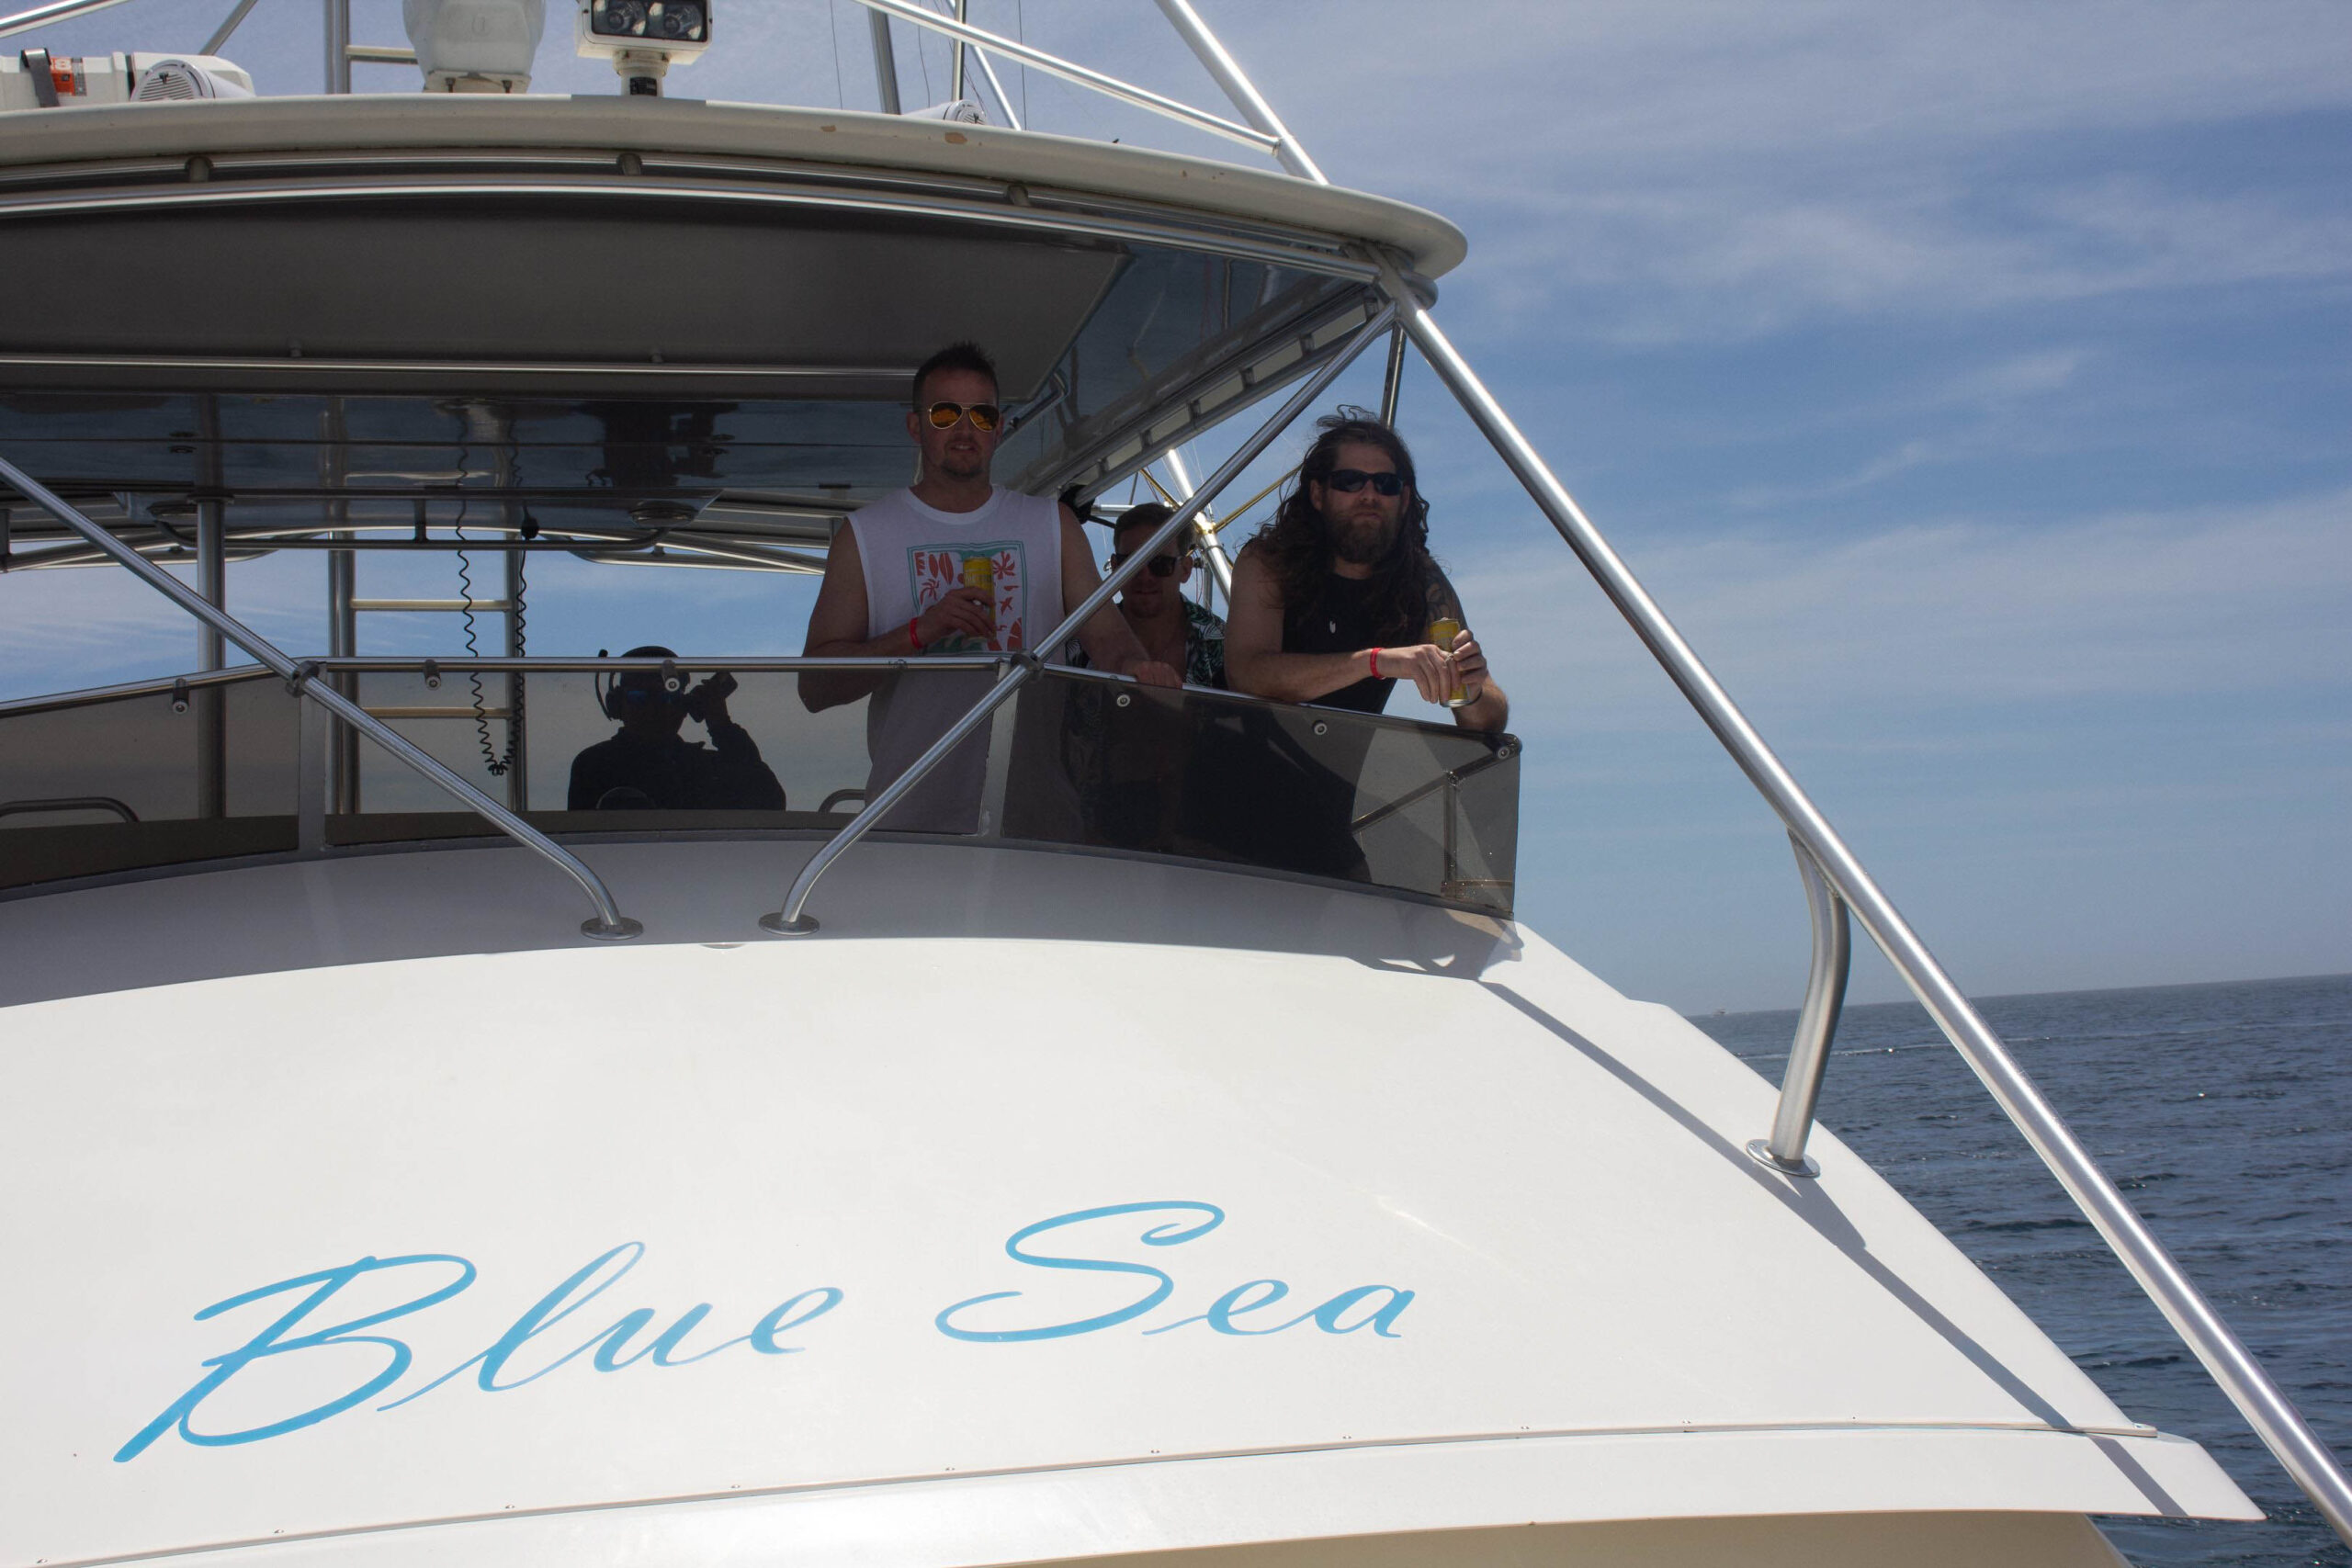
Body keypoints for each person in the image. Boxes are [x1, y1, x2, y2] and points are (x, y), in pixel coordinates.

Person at [799, 341, 1178, 830]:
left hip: (1035, 818)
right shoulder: (865, 535)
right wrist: (919, 633)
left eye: (981, 416)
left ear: (998, 430)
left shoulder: (1053, 523)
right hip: (906, 821)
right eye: (944, 414)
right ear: (916, 426)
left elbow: (1105, 633)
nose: (964, 429)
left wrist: (1135, 668)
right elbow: (815, 686)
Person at [1226, 411, 1508, 733]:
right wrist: (1376, 662)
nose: (1369, 495)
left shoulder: (1422, 581)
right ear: (1318, 494)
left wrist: (1470, 695)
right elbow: (1246, 676)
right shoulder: (1269, 561)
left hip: (1339, 776)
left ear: (1403, 500)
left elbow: (1490, 718)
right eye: (1350, 481)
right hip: (1238, 762)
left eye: (1386, 484)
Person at [568, 646, 786, 811]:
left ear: (685, 705)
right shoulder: (594, 765)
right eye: (639, 697)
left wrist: (720, 723)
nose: (654, 707)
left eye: (667, 697)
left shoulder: (708, 767)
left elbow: (769, 801)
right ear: (617, 704)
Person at [1071, 502, 1227, 688]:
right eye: (1131, 563)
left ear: (1185, 569)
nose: (1145, 577)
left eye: (1160, 564)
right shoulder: (1077, 640)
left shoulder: (1220, 640)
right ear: (1114, 567)